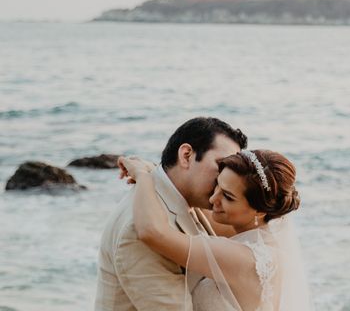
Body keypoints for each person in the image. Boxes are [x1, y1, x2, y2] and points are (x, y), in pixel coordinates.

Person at [118, 148, 314, 311]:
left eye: (228, 196)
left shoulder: (243, 258)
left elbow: (152, 232)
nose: (213, 199)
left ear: (260, 211)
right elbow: (187, 200)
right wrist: (158, 172)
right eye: (216, 185)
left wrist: (144, 176)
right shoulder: (265, 241)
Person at [95, 117, 248, 311]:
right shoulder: (138, 228)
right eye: (221, 166)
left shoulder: (174, 196)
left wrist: (145, 173)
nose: (226, 178)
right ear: (186, 155)